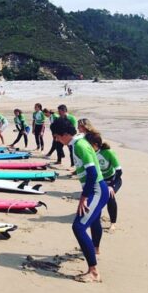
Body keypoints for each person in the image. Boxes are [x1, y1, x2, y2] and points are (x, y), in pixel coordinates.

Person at [50, 117, 108, 283]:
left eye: (57, 136)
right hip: (95, 189)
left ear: (65, 134)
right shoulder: (78, 142)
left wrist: (83, 197)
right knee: (94, 221)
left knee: (79, 227)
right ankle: (95, 249)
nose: (56, 139)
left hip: (96, 190)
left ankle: (94, 272)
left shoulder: (80, 145)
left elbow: (93, 174)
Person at [85, 132, 123, 232]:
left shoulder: (108, 152)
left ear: (96, 145)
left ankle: (113, 223)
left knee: (110, 196)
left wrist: (111, 185)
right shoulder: (89, 153)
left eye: (88, 144)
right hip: (100, 180)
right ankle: (95, 217)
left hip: (113, 179)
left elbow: (119, 171)